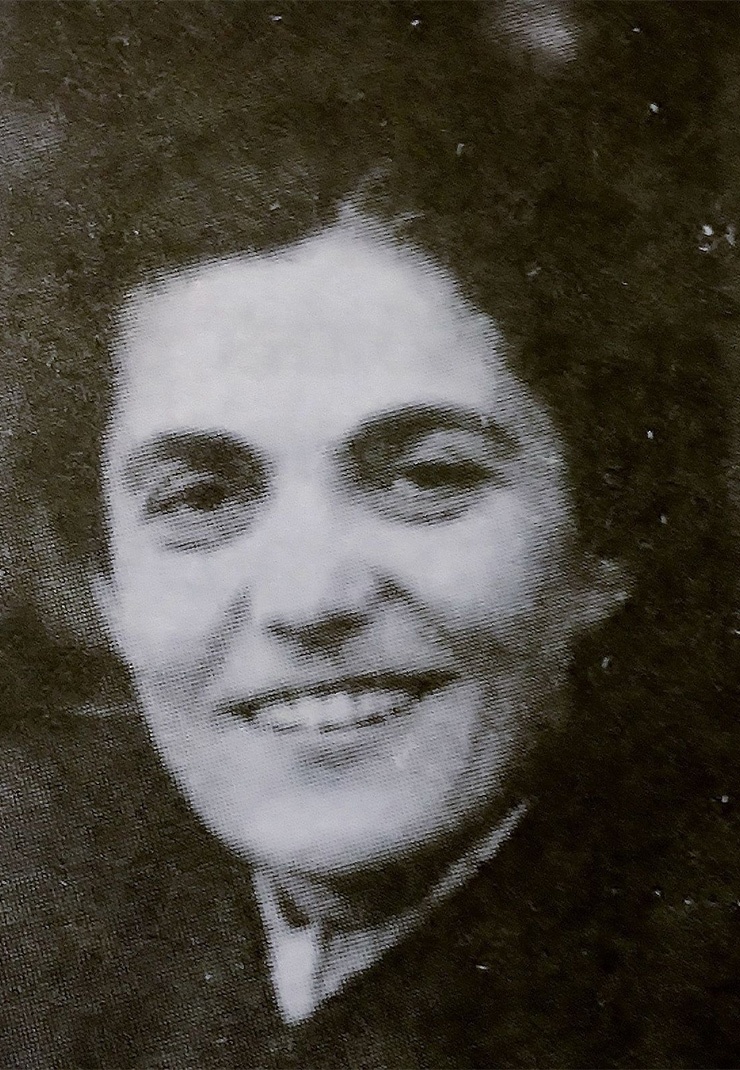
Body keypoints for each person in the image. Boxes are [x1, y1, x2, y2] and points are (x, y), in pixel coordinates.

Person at [2, 4, 740, 1067]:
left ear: (601, 544)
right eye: (200, 498)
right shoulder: (34, 911)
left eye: (427, 478)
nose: (309, 599)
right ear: (105, 585)